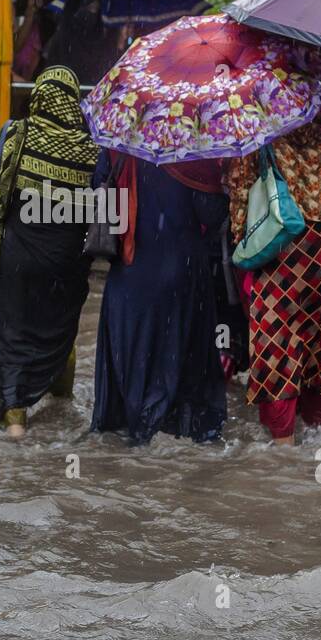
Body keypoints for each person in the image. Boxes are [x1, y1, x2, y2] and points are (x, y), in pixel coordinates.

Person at [0, 66, 100, 437]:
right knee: (58, 328)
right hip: (67, 263)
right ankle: (61, 404)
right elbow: (102, 205)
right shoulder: (91, 148)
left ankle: (14, 417)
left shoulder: (14, 135)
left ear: (39, 96)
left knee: (13, 331)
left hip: (15, 259)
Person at [224, 109, 321, 445]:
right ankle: (319, 429)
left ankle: (283, 454)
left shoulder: (260, 128)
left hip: (281, 247)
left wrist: (242, 245)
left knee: (276, 346)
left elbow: (242, 194)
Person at [91, 153, 230, 445]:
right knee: (180, 362)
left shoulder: (118, 147)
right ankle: (173, 429)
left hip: (129, 278)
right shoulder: (195, 154)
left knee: (132, 365)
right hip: (181, 274)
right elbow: (212, 215)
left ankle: (134, 431)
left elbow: (100, 194)